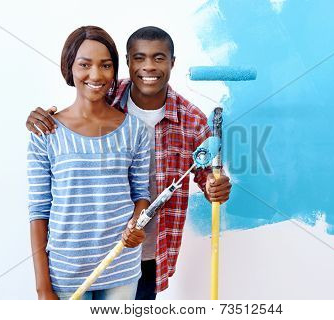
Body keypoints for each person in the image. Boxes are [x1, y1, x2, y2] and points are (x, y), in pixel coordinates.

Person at [26, 26, 232, 300]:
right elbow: (80, 107)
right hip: (74, 263)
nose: (149, 66)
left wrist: (216, 187)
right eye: (139, 57)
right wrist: (38, 116)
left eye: (159, 58)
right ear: (127, 61)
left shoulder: (192, 120)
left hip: (146, 251)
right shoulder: (106, 94)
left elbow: (207, 177)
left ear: (172, 62)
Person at [27, 26, 151, 300]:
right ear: (69, 68)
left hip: (121, 267)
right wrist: (42, 287)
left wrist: (136, 224)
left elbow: (141, 195)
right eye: (85, 64)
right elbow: (38, 211)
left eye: (105, 65)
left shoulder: (136, 131)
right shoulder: (46, 132)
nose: (96, 75)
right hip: (66, 273)